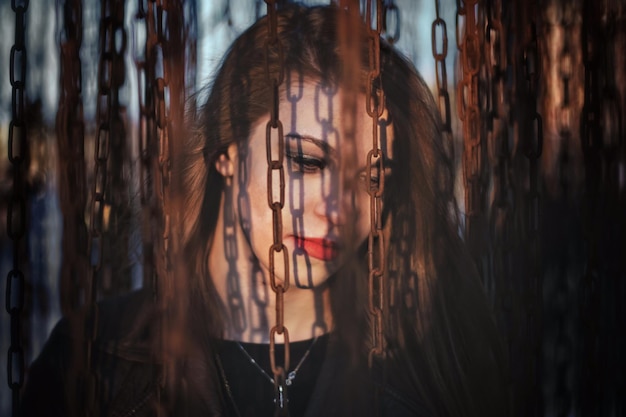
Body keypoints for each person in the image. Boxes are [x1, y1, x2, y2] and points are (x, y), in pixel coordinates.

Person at [21, 4, 509, 417]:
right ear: (226, 150)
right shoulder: (94, 361)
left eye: (372, 179)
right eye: (307, 160)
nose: (338, 209)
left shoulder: (432, 365)